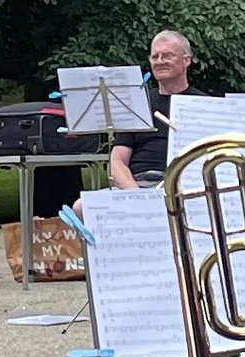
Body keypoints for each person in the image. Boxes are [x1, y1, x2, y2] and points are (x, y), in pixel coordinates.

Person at [71, 30, 202, 218]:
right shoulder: (136, 103)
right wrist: (136, 196)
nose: (159, 61)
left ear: (186, 60)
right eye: (155, 56)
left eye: (167, 56)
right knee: (81, 207)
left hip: (182, 187)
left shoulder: (203, 103)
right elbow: (117, 161)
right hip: (136, 186)